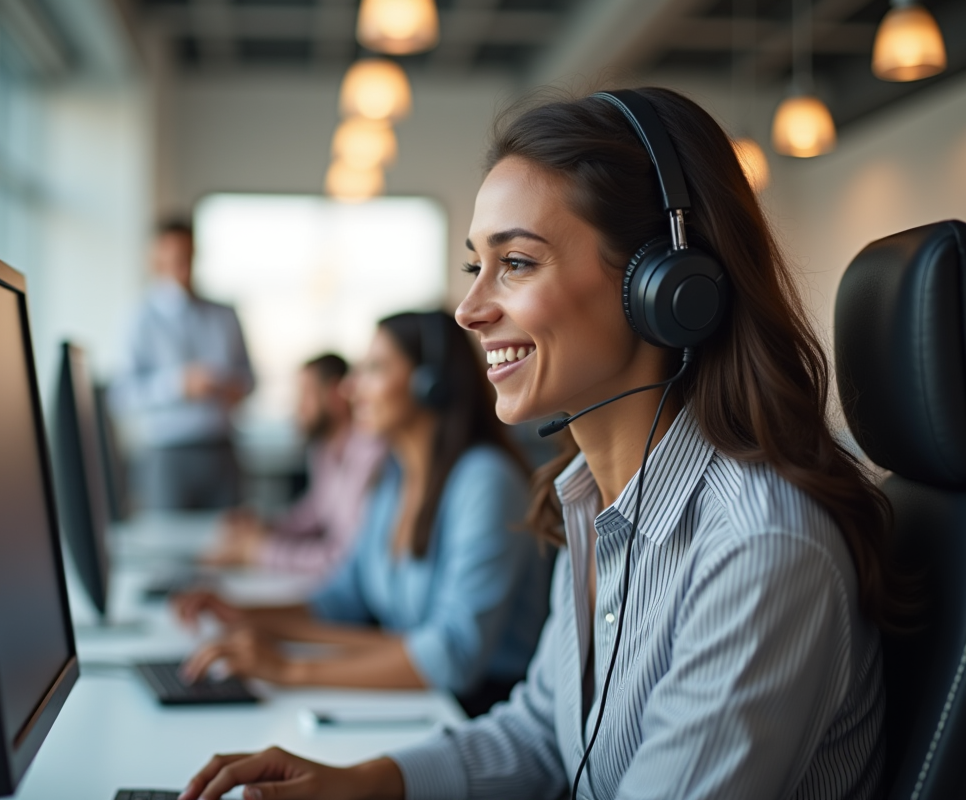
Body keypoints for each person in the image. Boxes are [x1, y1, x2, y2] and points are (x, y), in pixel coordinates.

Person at [177, 88, 903, 800]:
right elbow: (541, 736)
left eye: (517, 263)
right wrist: (361, 783)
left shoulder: (759, 549)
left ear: (665, 288)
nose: (470, 309)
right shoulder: (590, 499)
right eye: (475, 266)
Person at [174, 311, 550, 717]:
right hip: (421, 699)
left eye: (374, 369)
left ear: (431, 386)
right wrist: (243, 615)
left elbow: (453, 654)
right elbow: (342, 597)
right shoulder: (393, 478)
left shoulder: (485, 482)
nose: (351, 389)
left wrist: (287, 668)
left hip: (482, 711)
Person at [109, 218, 254, 510]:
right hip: (167, 455)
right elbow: (121, 396)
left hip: (223, 451)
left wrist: (230, 388)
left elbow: (251, 380)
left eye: (187, 257)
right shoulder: (139, 319)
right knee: (166, 546)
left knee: (227, 545)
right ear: (156, 260)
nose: (182, 267)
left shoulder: (224, 315)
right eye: (174, 258)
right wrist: (178, 385)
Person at [203, 353, 387, 578]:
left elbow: (342, 559)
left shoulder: (370, 454)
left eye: (305, 396)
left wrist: (258, 552)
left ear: (335, 395)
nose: (297, 409)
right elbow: (317, 511)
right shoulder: (326, 447)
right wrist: (267, 528)